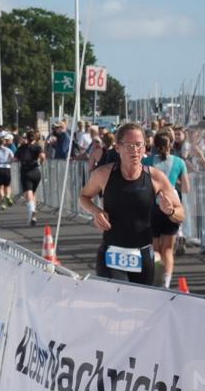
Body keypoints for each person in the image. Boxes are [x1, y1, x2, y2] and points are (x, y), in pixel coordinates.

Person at [79, 123, 184, 287]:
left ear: (144, 147)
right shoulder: (104, 174)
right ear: (118, 147)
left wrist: (170, 211)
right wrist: (95, 211)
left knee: (140, 307)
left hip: (143, 253)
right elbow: (84, 196)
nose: (135, 150)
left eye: (139, 145)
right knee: (117, 300)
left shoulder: (156, 177)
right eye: (129, 145)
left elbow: (180, 213)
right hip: (112, 252)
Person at [142, 131, 189, 288]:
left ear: (154, 145)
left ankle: (155, 278)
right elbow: (186, 188)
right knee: (168, 249)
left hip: (153, 207)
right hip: (171, 206)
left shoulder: (147, 161)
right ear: (171, 145)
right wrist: (173, 185)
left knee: (155, 247)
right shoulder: (179, 162)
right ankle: (166, 283)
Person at [15, 130, 45, 225]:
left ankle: (32, 212)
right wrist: (41, 162)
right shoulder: (38, 147)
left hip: (26, 171)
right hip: (36, 171)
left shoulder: (22, 148)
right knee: (32, 193)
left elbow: (15, 158)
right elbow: (42, 156)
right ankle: (34, 214)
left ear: (26, 138)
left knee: (28, 194)